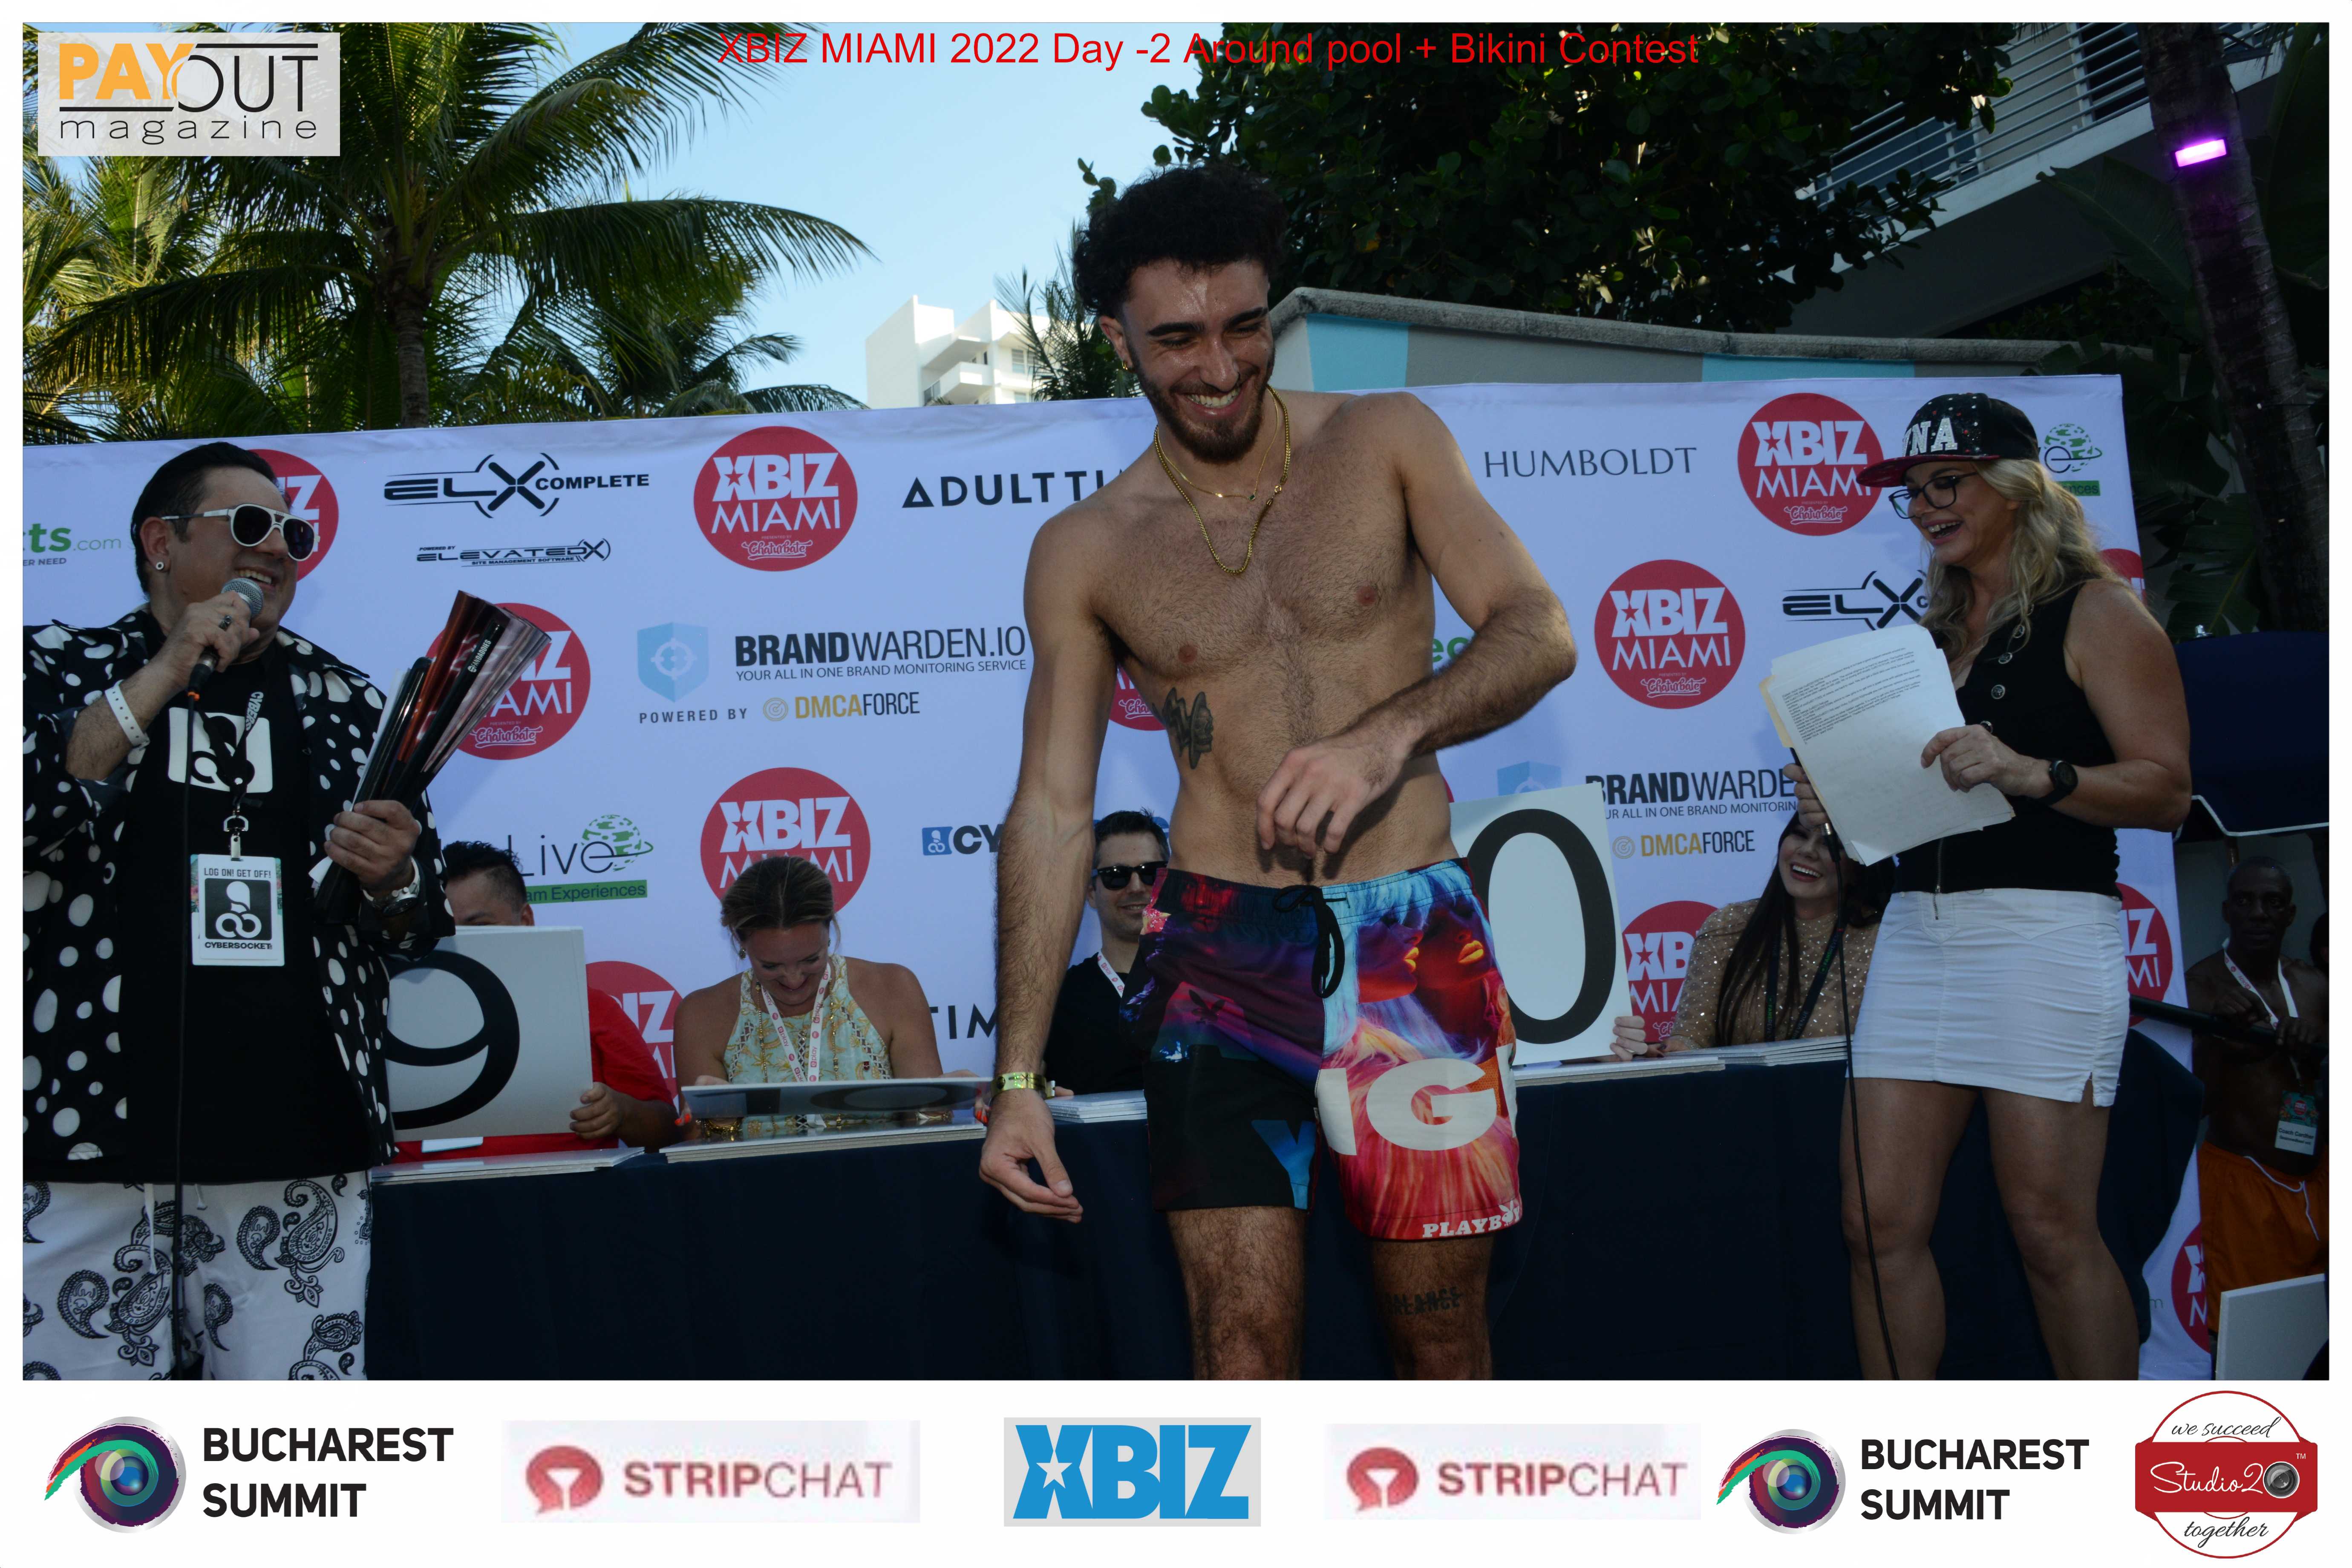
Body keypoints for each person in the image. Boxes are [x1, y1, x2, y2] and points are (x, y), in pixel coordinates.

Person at [977, 163, 1579, 1380]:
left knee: (1440, 1336)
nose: (1218, 367)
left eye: (1243, 327)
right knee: (1238, 1350)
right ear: (1117, 339)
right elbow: (1050, 811)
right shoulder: (1086, 547)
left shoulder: (1384, 438)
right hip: (1217, 954)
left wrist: (1384, 735)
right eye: (1177, 339)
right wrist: (1018, 1081)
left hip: (1409, 935)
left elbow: (1538, 630)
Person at [23, 441, 453, 1381]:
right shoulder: (55, 666)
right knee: (85, 1445)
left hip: (296, 1136)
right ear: (161, 542)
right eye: (249, 525)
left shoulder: (347, 701)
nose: (276, 550)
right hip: (84, 1135)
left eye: (293, 535)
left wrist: (393, 877)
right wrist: (168, 665)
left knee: (291, 1440)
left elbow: (418, 923)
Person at [1787, 392, 2191, 1379]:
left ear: (2015, 488)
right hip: (1918, 934)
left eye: (1948, 483)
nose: (1926, 505)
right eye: (1916, 490)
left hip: (2042, 936)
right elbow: (1916, 809)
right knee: (1874, 1220)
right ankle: (1902, 1452)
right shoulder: (1925, 638)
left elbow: (2168, 791)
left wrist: (2034, 772)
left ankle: (2107, 1460)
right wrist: (1839, 802)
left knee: (2051, 1228)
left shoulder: (2099, 611)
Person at [392, 840, 680, 1159]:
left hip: (563, 1187)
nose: (459, 943)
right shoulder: (385, 1012)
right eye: (442, 929)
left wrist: (621, 1112)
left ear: (526, 921)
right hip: (412, 1189)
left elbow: (667, 1130)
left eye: (480, 926)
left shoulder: (589, 1008)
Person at [674, 855, 944, 1136]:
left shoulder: (893, 989)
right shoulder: (701, 1015)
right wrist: (720, 1120)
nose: (793, 979)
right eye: (771, 966)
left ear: (830, 930)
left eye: (811, 960)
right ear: (739, 941)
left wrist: (944, 1102)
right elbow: (697, 1149)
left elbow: (930, 1131)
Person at [1610, 816, 1891, 1058]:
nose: (1807, 851)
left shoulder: (1886, 939)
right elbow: (1693, 1039)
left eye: (1830, 845)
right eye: (1800, 835)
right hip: (1744, 1098)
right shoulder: (1729, 926)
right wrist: (1660, 1051)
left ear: (1859, 863)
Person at [2185, 859, 2327, 1322]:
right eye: (2245, 901)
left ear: (2290, 914)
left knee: (2321, 1336)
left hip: (2321, 1181)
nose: (2259, 913)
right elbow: (2189, 1106)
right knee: (2252, 1332)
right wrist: (2219, 1042)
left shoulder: (2315, 985)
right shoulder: (2198, 989)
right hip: (2243, 1187)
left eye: (2273, 902)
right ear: (2227, 911)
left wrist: (2317, 1054)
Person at [1041, 811, 1170, 1095]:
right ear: (1091, 893)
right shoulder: (1055, 998)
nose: (1136, 887)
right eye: (1116, 876)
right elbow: (1021, 1090)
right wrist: (1036, 1094)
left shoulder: (1211, 984)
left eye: (1150, 872)